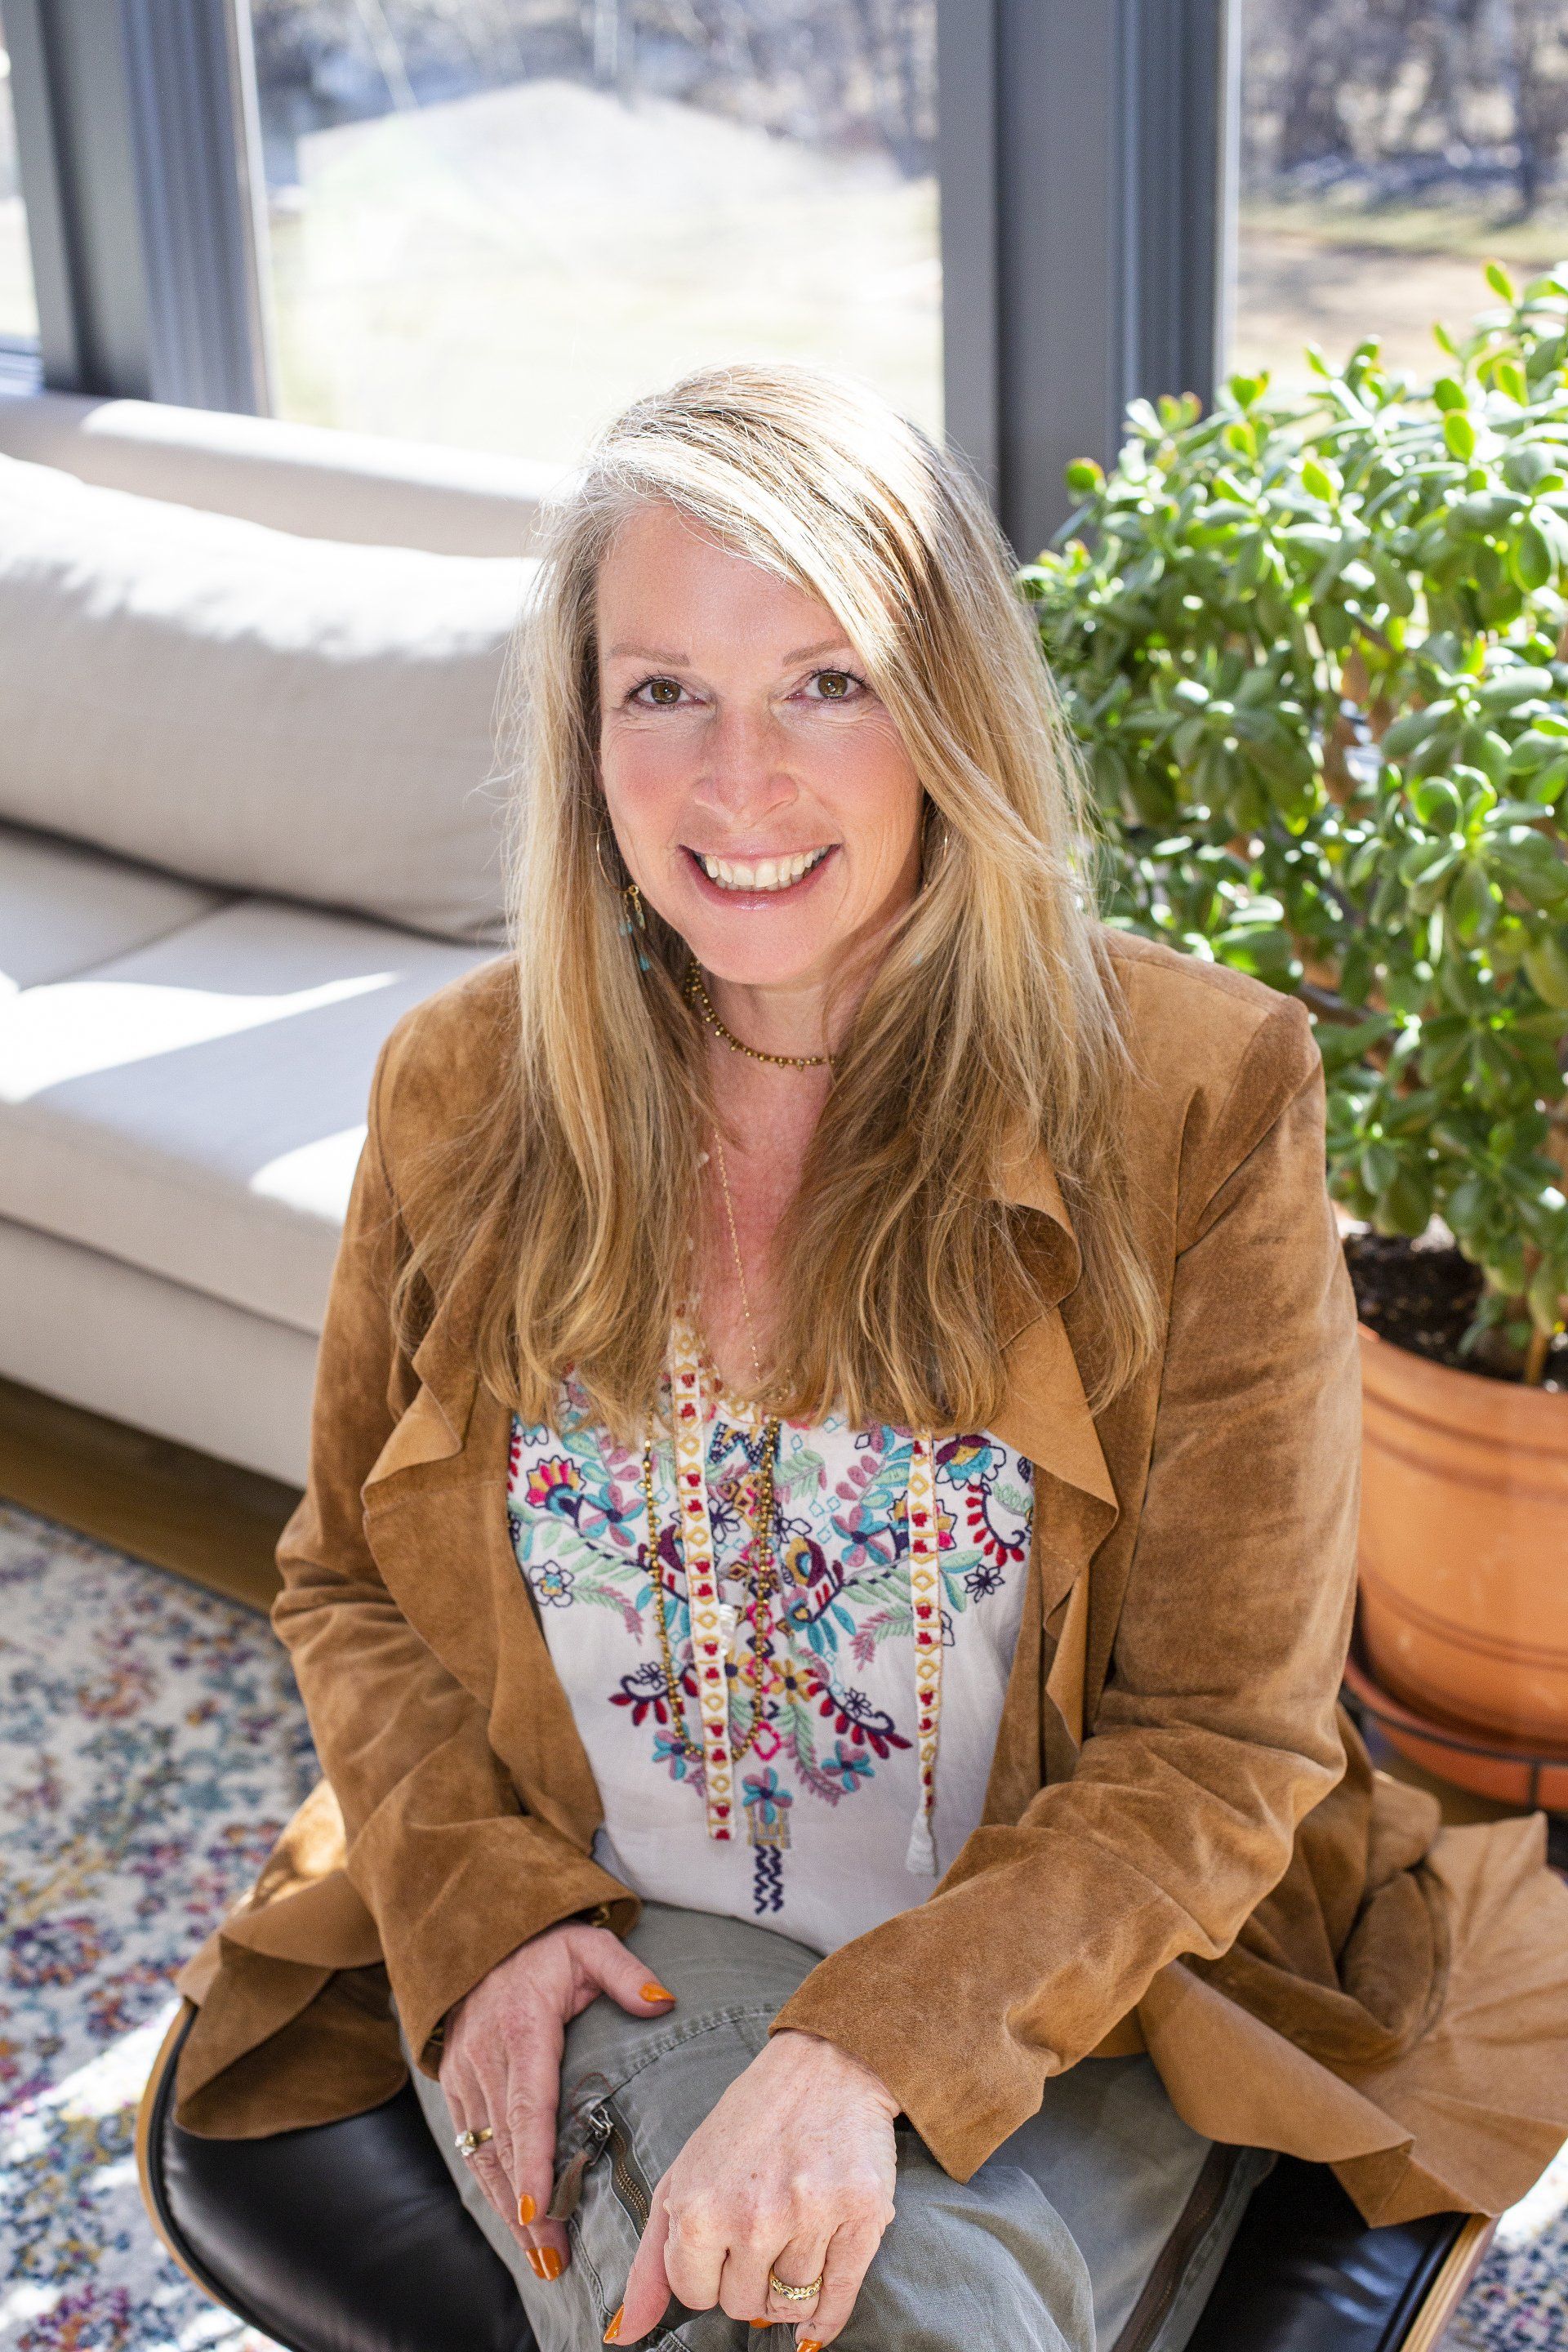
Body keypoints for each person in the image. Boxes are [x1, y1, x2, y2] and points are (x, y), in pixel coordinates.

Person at [167, 363, 1568, 2352]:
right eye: (665, 691)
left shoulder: (1196, 1099)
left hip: (1057, 1982)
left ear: (951, 711)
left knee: (861, 2304)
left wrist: (863, 2058)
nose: (740, 782)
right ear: (586, 738)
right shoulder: (464, 1089)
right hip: (617, 1939)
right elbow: (344, 1579)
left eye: (827, 680)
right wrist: (482, 1917)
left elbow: (1222, 1745)